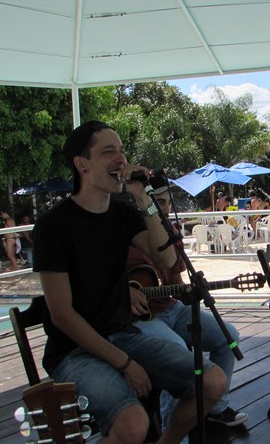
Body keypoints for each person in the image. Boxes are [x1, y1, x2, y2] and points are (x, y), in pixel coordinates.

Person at [32, 120, 227, 444]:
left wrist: (143, 198)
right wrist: (124, 364)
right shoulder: (53, 227)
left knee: (213, 383)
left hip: (125, 333)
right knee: (133, 425)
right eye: (109, 152)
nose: (121, 159)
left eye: (122, 150)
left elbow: (164, 260)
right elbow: (62, 315)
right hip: (74, 351)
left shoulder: (123, 214)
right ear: (82, 164)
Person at [127, 174, 248, 430]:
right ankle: (172, 431)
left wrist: (189, 290)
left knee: (229, 337)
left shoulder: (169, 231)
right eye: (156, 202)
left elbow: (177, 279)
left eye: (165, 202)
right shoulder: (124, 233)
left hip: (172, 308)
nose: (163, 208)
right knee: (177, 353)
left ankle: (214, 407)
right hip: (141, 318)